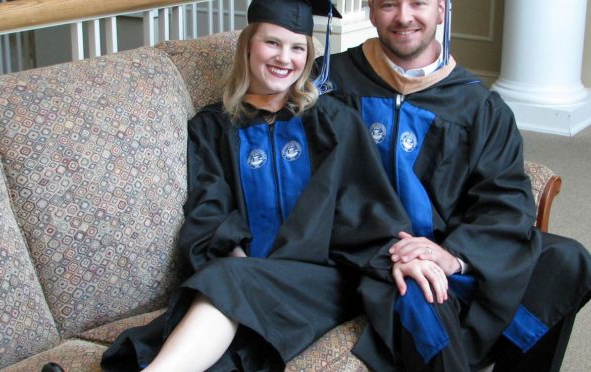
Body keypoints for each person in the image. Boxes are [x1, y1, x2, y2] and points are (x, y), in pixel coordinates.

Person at [100, 1, 452, 370]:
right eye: (272, 43)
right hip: (251, 278)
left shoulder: (333, 122)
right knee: (224, 353)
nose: (285, 58)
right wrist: (238, 264)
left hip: (325, 281)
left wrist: (399, 257)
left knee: (224, 295)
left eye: (298, 48)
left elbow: (366, 207)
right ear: (248, 45)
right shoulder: (213, 128)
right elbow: (209, 206)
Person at [319, 0, 591, 371]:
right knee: (421, 293)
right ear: (372, 12)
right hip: (366, 251)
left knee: (564, 261)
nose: (405, 16)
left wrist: (454, 256)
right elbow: (311, 187)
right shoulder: (330, 83)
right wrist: (401, 251)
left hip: (448, 240)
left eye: (418, 3)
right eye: (389, 4)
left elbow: (504, 198)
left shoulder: (477, 104)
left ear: (441, 10)